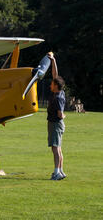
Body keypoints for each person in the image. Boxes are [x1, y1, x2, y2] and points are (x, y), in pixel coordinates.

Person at [46, 52, 66, 180]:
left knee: (55, 149)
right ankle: (61, 171)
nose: (50, 85)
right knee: (58, 148)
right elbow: (55, 75)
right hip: (57, 124)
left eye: (52, 84)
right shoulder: (60, 92)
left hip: (55, 123)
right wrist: (53, 60)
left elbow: (60, 114)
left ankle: (57, 173)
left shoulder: (57, 97)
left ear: (56, 86)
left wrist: (63, 116)